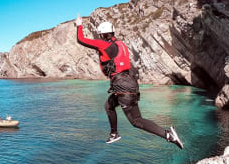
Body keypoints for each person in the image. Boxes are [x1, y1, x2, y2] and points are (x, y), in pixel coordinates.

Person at [75, 14, 183, 148]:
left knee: (136, 121)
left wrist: (79, 24)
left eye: (100, 35)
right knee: (108, 106)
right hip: (129, 83)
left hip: (122, 87)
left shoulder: (104, 45)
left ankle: (169, 135)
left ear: (102, 35)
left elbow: (81, 39)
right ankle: (114, 134)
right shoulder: (120, 44)